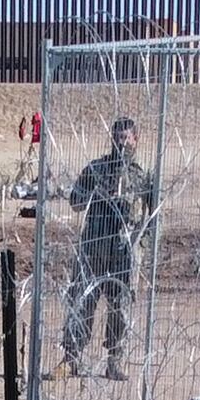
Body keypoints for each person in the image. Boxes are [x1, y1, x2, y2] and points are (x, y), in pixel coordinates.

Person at [61, 115, 156, 380]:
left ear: (136, 140)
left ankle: (114, 361)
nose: (122, 143)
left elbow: (153, 215)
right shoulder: (96, 169)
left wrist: (141, 246)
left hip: (123, 254)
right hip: (93, 249)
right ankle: (71, 358)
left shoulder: (143, 175)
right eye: (118, 137)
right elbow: (75, 202)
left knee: (120, 310)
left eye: (127, 138)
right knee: (81, 303)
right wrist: (96, 191)